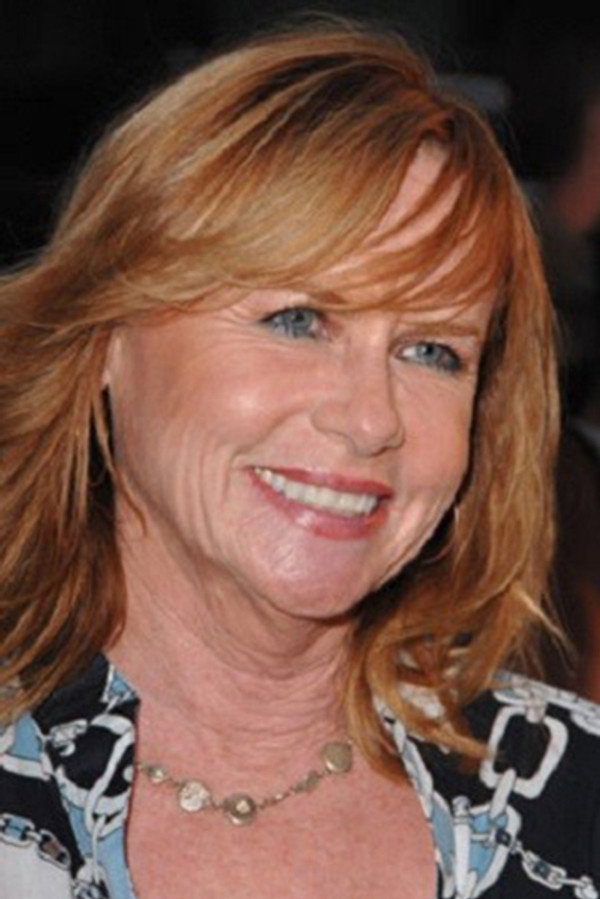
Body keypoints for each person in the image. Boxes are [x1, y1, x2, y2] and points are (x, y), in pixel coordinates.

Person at [0, 19, 598, 899]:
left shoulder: (574, 798)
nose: (370, 419)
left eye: (431, 350)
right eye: (297, 320)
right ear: (105, 342)